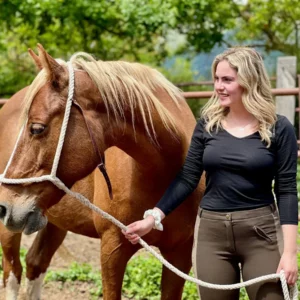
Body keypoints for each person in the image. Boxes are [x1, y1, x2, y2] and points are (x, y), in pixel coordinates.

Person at [123, 47, 299, 300]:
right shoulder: (207, 125)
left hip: (261, 232)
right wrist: (153, 217)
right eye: (216, 79)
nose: (218, 86)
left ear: (249, 81)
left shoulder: (279, 128)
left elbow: (287, 191)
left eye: (227, 80)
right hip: (212, 234)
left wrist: (290, 253)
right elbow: (188, 178)